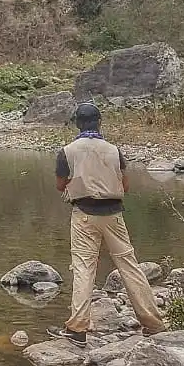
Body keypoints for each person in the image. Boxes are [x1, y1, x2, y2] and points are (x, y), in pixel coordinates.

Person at [49, 102, 165, 347]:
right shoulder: (114, 150)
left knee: (83, 268)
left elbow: (60, 186)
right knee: (129, 265)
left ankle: (78, 328)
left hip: (83, 215)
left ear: (77, 123)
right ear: (99, 122)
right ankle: (153, 324)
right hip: (114, 215)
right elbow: (125, 186)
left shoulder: (67, 151)